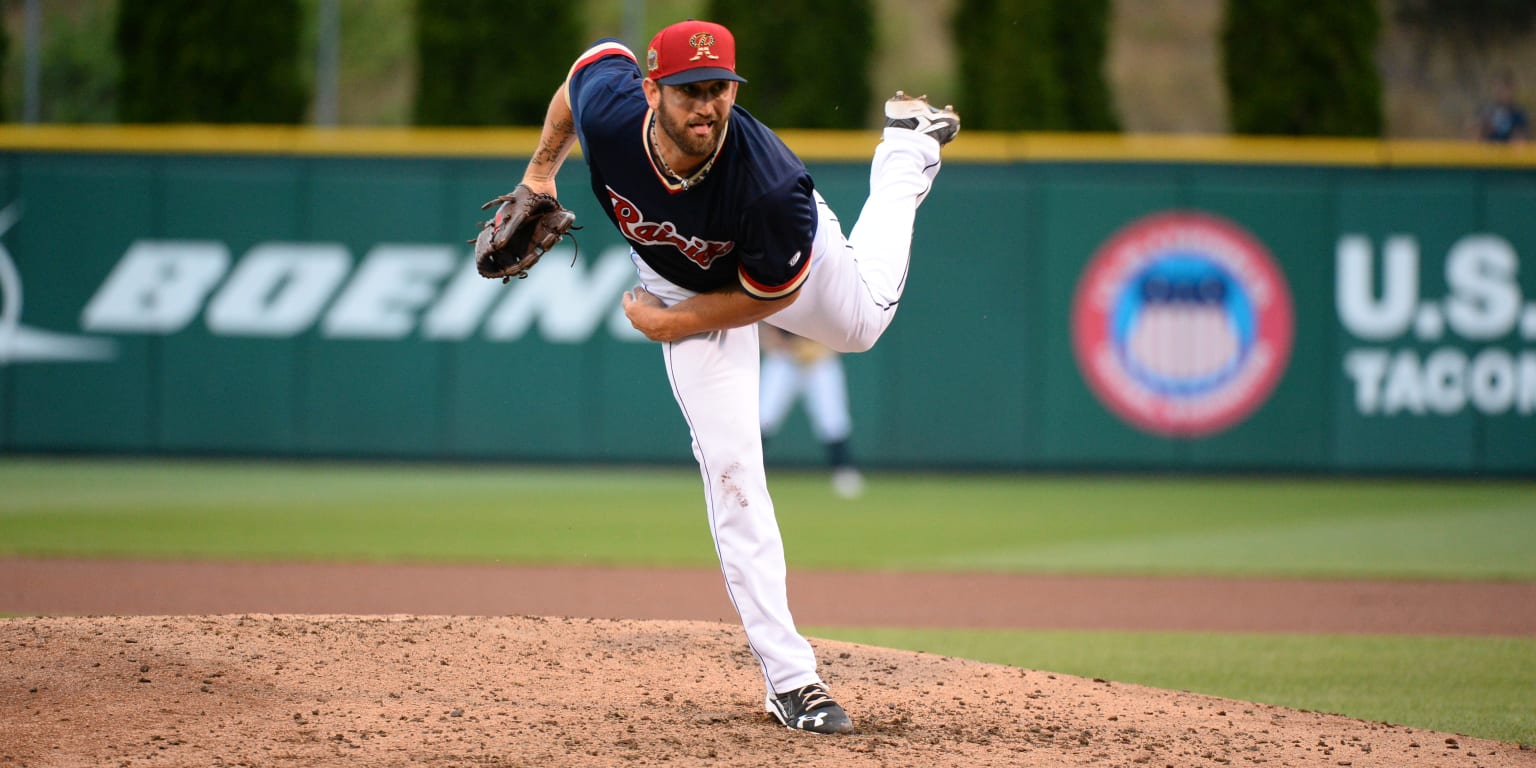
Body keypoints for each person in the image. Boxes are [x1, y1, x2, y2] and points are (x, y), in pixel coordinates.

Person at [513, 18, 957, 735]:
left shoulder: (770, 182)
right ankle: (793, 682)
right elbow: (583, 71)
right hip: (681, 282)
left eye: (718, 88)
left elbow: (770, 297)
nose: (706, 107)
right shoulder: (612, 111)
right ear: (653, 89)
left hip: (765, 267)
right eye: (689, 90)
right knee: (733, 469)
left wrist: (673, 325)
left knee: (864, 325)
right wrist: (540, 171)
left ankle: (908, 149)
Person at [758, 324, 865, 499]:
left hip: (820, 359)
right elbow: (764, 321)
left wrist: (822, 348)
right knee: (763, 416)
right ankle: (748, 471)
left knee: (832, 418)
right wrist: (785, 346)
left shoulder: (829, 296)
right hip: (784, 358)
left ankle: (844, 472)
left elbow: (845, 325)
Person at [1472, 71, 1530, 144]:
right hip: (1487, 153)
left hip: (1509, 154)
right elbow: (1475, 137)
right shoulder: (1486, 112)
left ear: (1512, 89)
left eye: (1505, 88)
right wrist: (1483, 130)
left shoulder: (1519, 115)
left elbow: (1521, 141)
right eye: (1499, 87)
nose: (1501, 91)